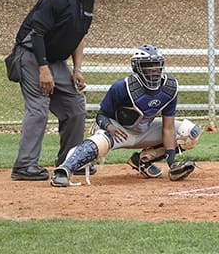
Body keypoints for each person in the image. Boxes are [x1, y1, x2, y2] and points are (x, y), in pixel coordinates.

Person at [50, 44, 202, 187]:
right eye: (148, 66)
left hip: (144, 129)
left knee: (190, 132)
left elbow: (168, 129)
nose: (154, 70)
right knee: (99, 141)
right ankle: (64, 170)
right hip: (118, 130)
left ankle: (143, 161)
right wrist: (110, 128)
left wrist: (172, 164)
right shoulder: (122, 87)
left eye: (156, 65)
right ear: (137, 67)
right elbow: (101, 116)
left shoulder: (169, 88)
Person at [10, 0, 97, 181]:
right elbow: (37, 33)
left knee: (75, 107)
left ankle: (71, 161)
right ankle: (24, 166)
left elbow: (79, 36)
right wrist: (43, 68)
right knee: (39, 109)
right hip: (31, 55)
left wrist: (77, 69)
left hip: (56, 61)